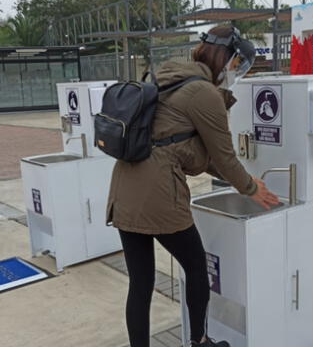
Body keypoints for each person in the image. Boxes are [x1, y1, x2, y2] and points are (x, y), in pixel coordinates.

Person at [106, 26, 279, 347]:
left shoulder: (169, 78)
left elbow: (188, 148)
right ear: (226, 58)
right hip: (158, 193)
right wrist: (252, 188)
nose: (237, 72)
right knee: (197, 266)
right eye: (238, 64)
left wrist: (241, 180)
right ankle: (200, 342)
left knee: (141, 283)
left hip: (124, 188)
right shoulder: (203, 93)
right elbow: (225, 157)